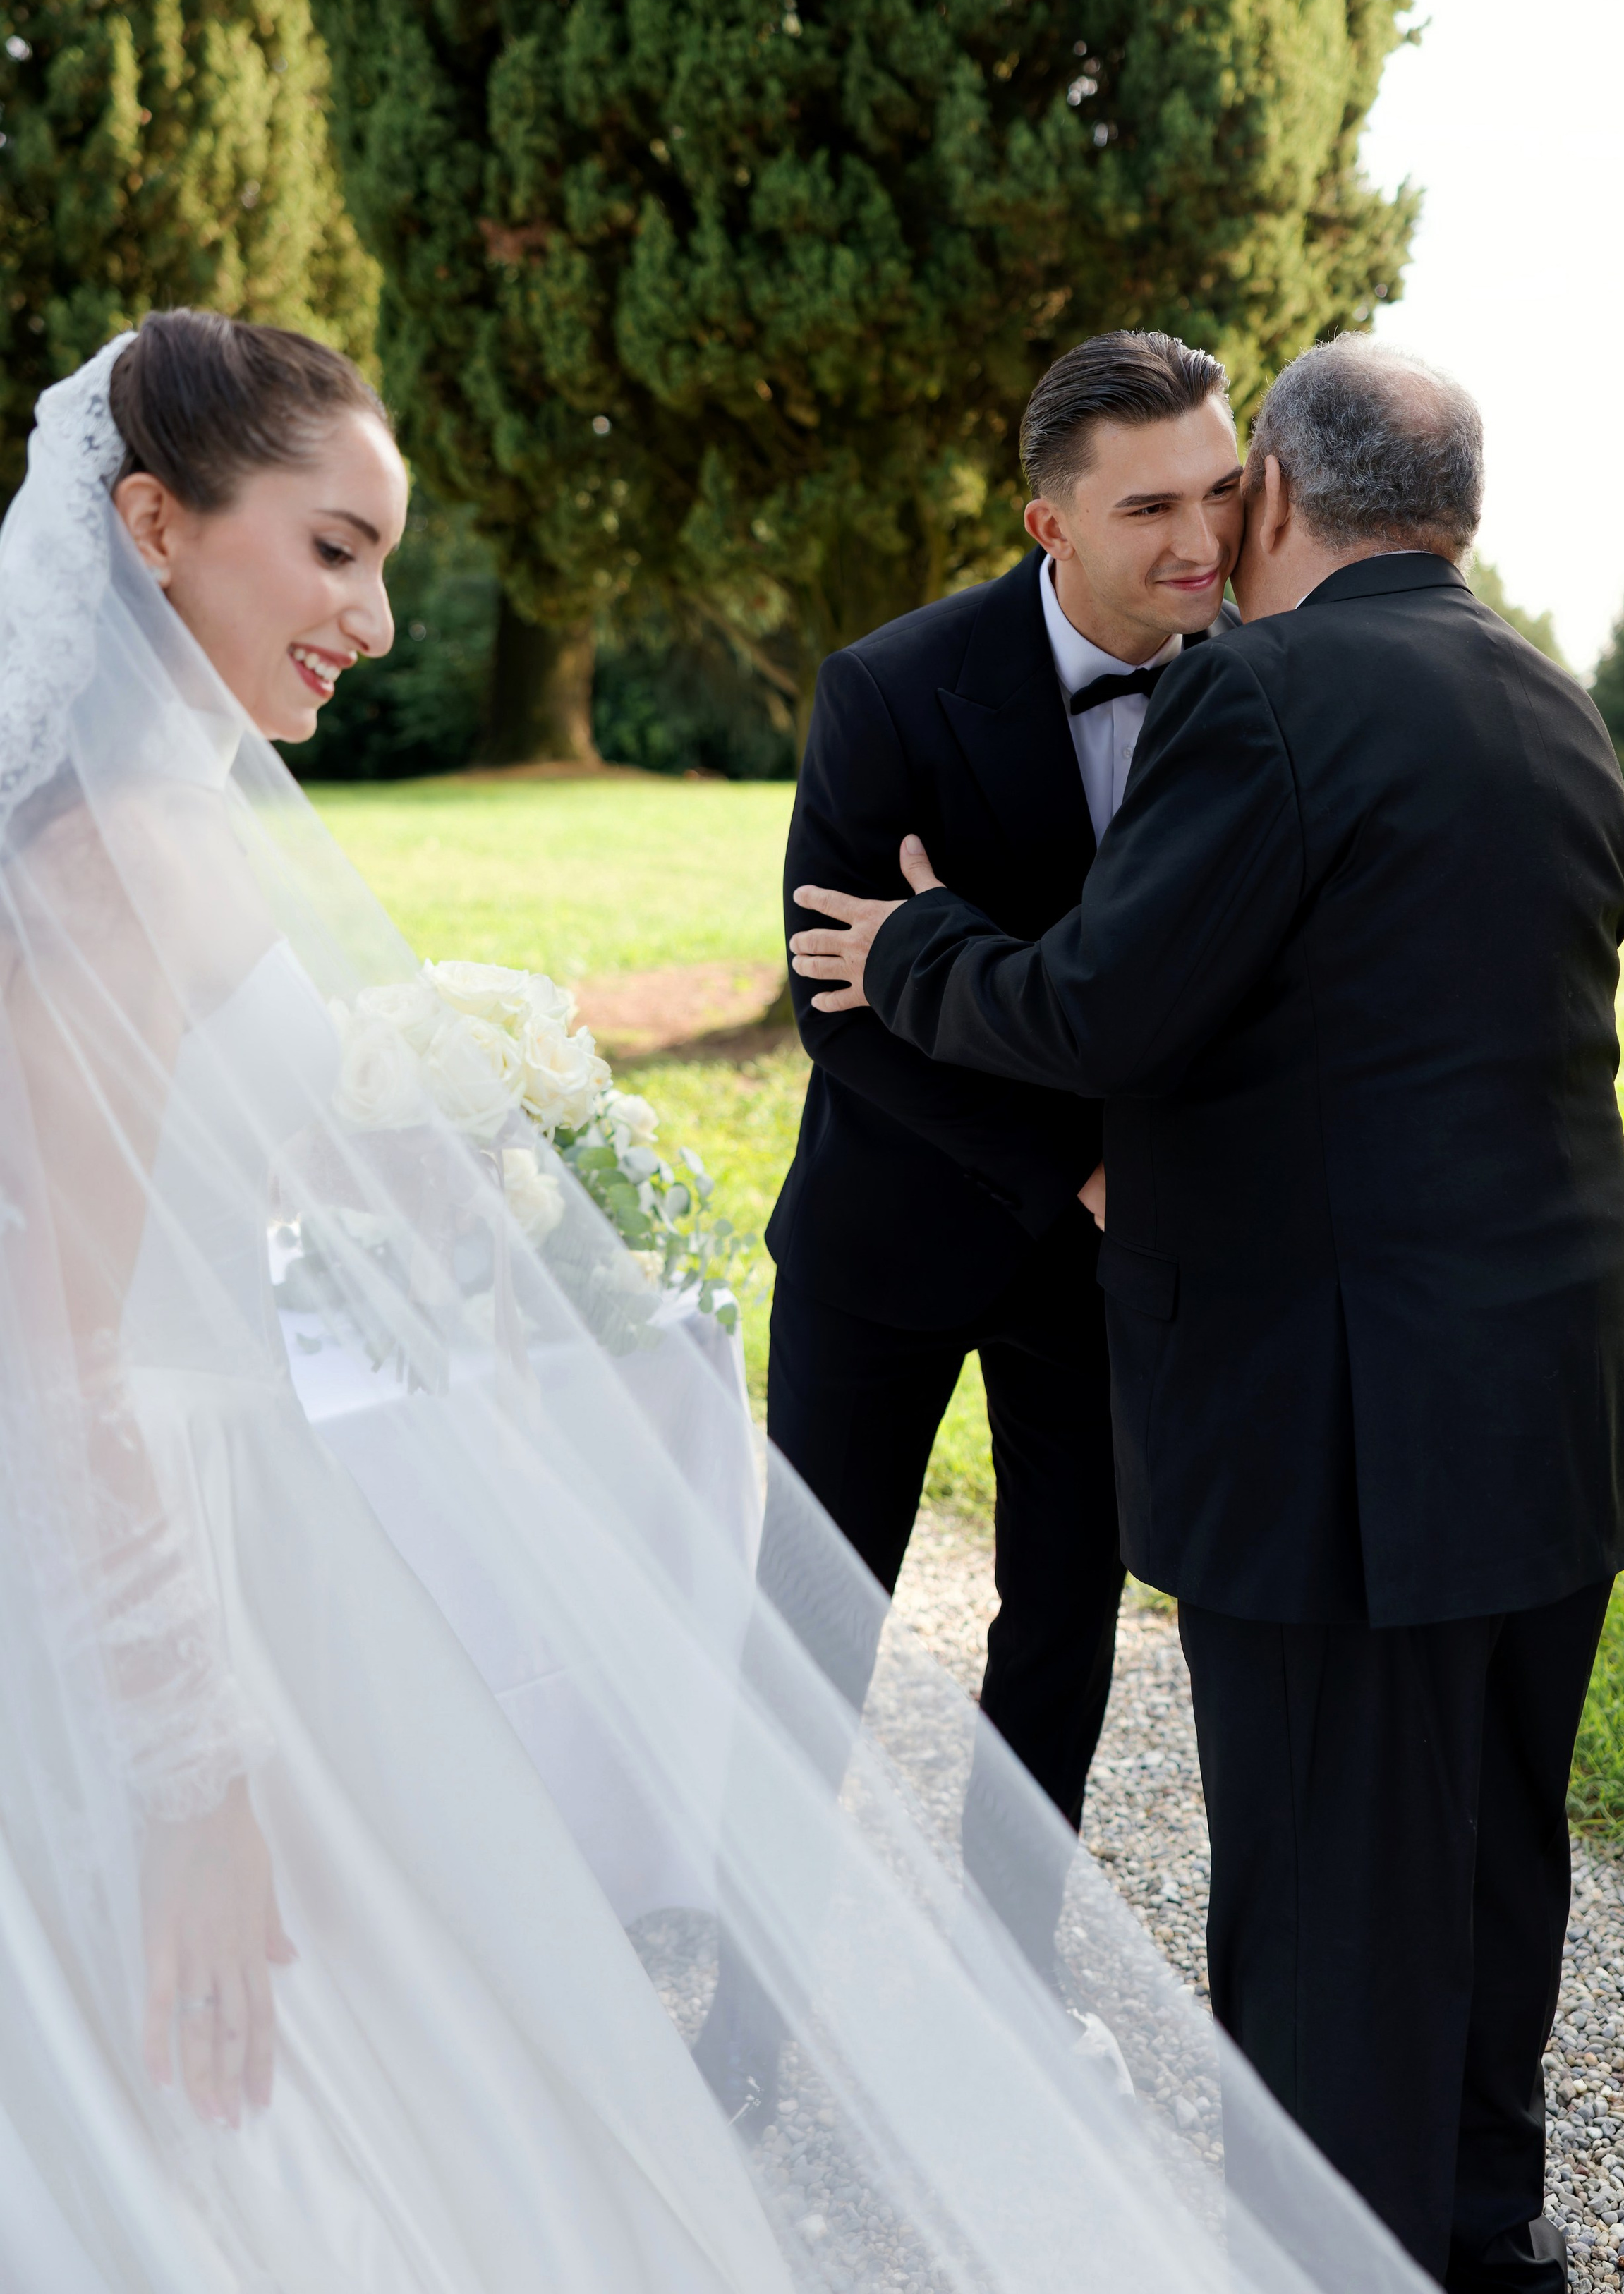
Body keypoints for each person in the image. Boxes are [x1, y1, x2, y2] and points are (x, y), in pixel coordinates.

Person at [0, 312, 1426, 2294]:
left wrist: (465, 1164)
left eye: (386, 558)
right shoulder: (91, 876)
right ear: (152, 526)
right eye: (336, 551)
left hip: (275, 1522)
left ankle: (993, 1980)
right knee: (241, 2098)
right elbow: (68, 1372)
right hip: (156, 1569)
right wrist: (190, 1781)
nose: (382, 619)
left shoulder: (209, 837)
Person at [788, 334, 1624, 2293]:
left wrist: (918, 949)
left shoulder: (1268, 695)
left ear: (1278, 491)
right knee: (1488, 1870)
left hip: (1343, 1434)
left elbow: (1109, 1002)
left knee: (1326, 1926)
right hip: (1558, 1416)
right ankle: (1478, 2243)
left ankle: (1321, 2262)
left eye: (1226, 495)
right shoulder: (1554, 697)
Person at [701, 332, 1242, 2116]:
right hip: (887, 1239)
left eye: (1220, 490)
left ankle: (1003, 1995)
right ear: (1045, 520)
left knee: (1063, 1622)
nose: (1201, 537)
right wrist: (1081, 1168)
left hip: (1113, 1265)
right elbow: (836, 1004)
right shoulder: (890, 686)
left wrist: (1120, 1181)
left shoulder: (1271, 688)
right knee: (812, 1621)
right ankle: (746, 2023)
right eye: (1150, 504)